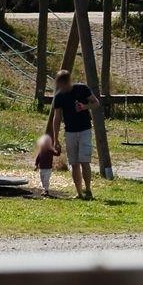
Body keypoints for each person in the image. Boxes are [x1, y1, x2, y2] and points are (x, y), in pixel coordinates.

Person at [49, 68, 95, 199]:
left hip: (85, 130)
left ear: (68, 81)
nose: (61, 86)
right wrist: (55, 139)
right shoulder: (59, 96)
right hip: (70, 132)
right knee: (74, 164)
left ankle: (88, 190)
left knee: (84, 161)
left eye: (63, 83)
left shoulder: (82, 89)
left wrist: (85, 107)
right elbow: (57, 117)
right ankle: (79, 193)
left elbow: (96, 103)